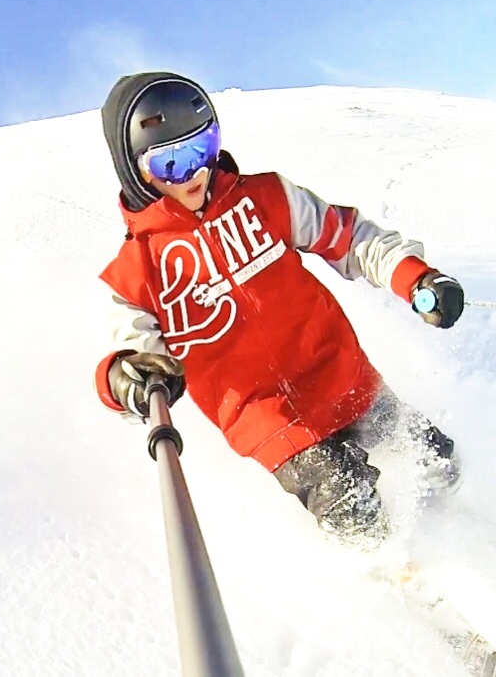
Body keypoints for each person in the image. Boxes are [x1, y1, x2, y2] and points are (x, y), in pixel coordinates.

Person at [94, 72, 465, 548]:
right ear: (133, 170)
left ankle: (468, 528)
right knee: (350, 502)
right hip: (271, 421)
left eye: (202, 147)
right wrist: (131, 379)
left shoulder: (268, 198)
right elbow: (127, 361)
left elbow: (350, 239)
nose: (194, 173)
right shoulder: (137, 271)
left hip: (342, 376)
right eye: (169, 163)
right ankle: (399, 575)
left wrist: (415, 278)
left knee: (436, 462)